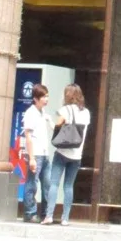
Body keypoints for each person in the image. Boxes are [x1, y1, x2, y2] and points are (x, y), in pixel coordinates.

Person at [42, 84, 91, 226]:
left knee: (54, 184)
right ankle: (65, 219)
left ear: (67, 95)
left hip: (62, 153)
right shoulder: (86, 112)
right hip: (77, 155)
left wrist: (49, 121)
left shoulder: (65, 110)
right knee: (69, 186)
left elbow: (57, 129)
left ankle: (49, 216)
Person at [21, 83, 51, 223]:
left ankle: (45, 213)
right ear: (35, 98)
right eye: (43, 97)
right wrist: (31, 158)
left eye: (47, 96)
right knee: (32, 184)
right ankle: (30, 213)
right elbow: (28, 137)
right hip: (35, 154)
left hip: (44, 154)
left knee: (47, 184)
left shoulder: (43, 113)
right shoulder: (30, 113)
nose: (46, 99)